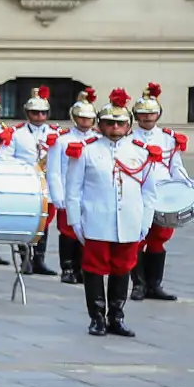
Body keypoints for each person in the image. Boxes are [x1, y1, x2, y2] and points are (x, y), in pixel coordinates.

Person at [66, 89, 160, 336]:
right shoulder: (85, 150)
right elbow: (73, 190)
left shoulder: (141, 151)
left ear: (128, 125)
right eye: (109, 122)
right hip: (96, 219)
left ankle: (116, 317)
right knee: (94, 268)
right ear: (101, 124)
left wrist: (146, 222)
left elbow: (150, 191)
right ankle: (96, 318)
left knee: (123, 268)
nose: (115, 127)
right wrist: (75, 221)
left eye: (120, 122)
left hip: (129, 220)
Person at [131, 84, 186, 300]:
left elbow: (176, 165)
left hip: (163, 195)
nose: (147, 118)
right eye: (143, 114)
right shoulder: (128, 136)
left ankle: (154, 285)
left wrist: (185, 186)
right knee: (137, 239)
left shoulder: (167, 138)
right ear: (136, 116)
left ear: (158, 114)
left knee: (158, 239)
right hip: (137, 194)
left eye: (151, 113)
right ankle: (138, 285)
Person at [6, 87, 61, 276]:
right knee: (26, 222)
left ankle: (39, 259)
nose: (39, 116)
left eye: (43, 112)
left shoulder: (57, 133)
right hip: (27, 183)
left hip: (48, 184)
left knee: (44, 223)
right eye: (35, 112)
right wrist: (27, 167)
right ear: (27, 113)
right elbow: (6, 157)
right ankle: (25, 260)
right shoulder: (16, 133)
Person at [49, 91, 99, 284]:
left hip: (90, 194)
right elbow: (54, 170)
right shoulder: (62, 140)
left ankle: (83, 267)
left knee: (88, 231)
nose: (85, 121)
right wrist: (58, 195)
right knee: (69, 232)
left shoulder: (98, 139)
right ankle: (68, 268)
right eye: (81, 117)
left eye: (89, 118)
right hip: (68, 192)